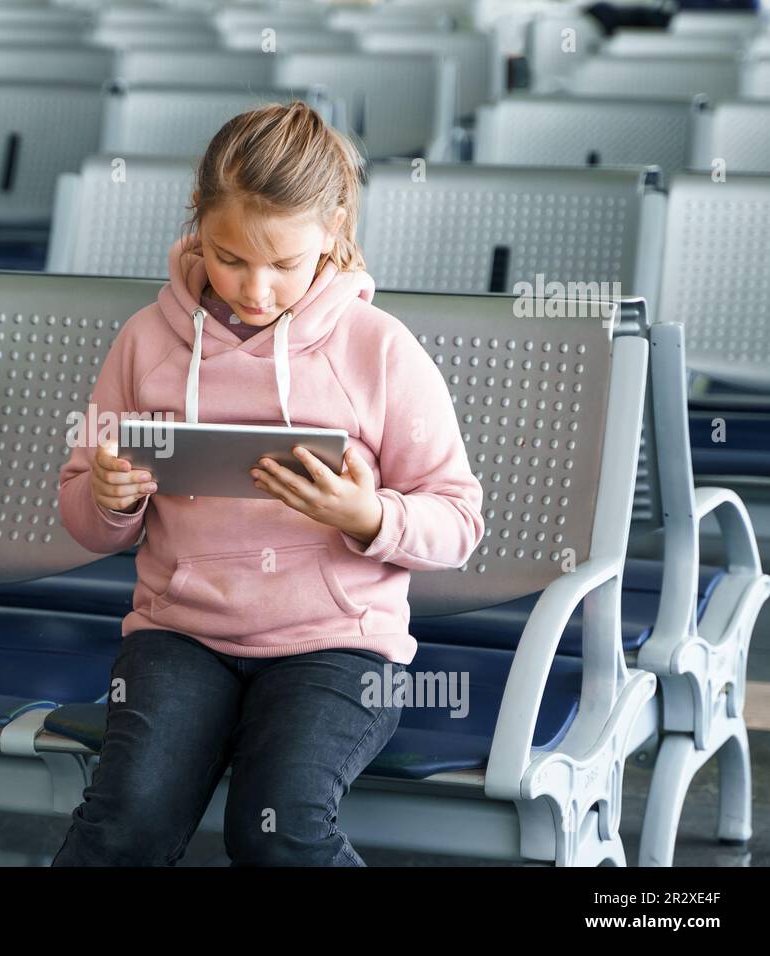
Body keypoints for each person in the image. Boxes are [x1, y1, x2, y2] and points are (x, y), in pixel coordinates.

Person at [52, 102, 485, 866]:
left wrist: (368, 515)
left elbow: (457, 521)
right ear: (198, 225)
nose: (254, 289)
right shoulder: (146, 341)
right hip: (180, 635)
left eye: (285, 265)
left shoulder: (379, 349)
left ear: (334, 231)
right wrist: (110, 498)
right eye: (229, 258)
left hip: (339, 645)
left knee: (277, 829)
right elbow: (84, 513)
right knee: (124, 825)